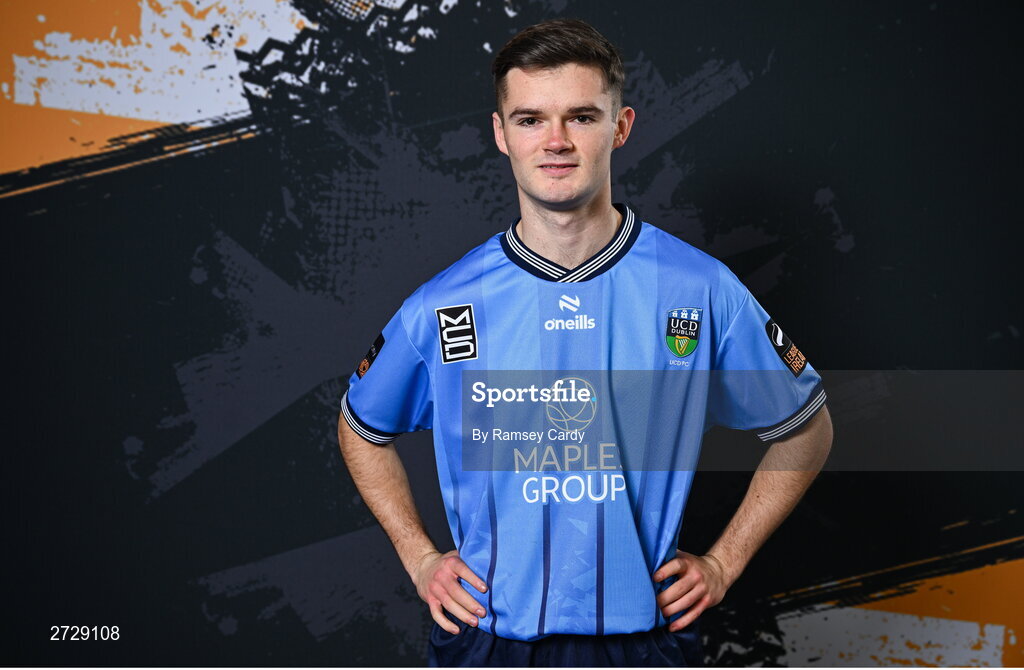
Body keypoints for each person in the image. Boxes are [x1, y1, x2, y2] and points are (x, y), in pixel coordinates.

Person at [337, 17, 832, 667]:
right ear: (501, 134)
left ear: (620, 126)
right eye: (530, 120)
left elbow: (806, 429)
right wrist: (419, 555)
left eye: (581, 117)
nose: (556, 141)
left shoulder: (699, 289)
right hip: (489, 642)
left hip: (644, 640)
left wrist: (722, 563)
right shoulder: (444, 304)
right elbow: (361, 427)